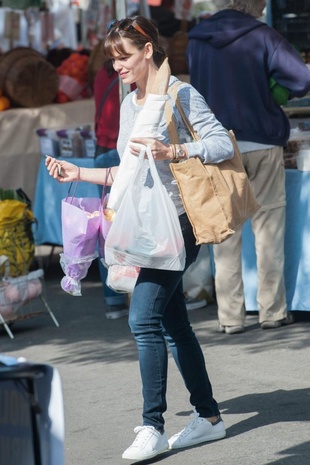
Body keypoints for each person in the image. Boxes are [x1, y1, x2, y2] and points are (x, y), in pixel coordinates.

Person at [46, 16, 234, 461]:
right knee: (174, 325)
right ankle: (209, 418)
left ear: (148, 50)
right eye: (113, 60)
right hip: (146, 226)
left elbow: (222, 144)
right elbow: (125, 173)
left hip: (179, 224)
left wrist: (175, 150)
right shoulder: (132, 103)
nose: (117, 68)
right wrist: (79, 172)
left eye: (124, 57)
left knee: (142, 319)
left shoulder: (179, 94)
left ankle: (152, 424)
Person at [187, 0, 310, 334]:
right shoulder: (263, 35)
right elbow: (301, 78)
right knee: (268, 228)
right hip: (263, 139)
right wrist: (269, 90)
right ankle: (272, 311)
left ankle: (230, 317)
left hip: (217, 145)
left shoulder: (198, 38)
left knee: (226, 233)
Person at [93, 54, 129, 320]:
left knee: (108, 228)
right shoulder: (131, 77)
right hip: (123, 153)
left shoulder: (100, 74)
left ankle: (113, 298)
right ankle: (140, 292)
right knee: (139, 225)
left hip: (103, 150)